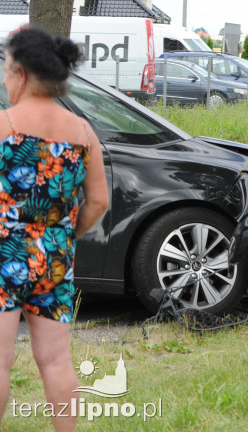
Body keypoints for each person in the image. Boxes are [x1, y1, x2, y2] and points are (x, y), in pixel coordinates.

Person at [0, 27, 109, 432]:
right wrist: (62, 234)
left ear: (23, 74)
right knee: (57, 361)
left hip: (3, 255)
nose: (5, 80)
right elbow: (98, 201)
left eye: (7, 71)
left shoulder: (3, 125)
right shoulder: (83, 132)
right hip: (55, 258)